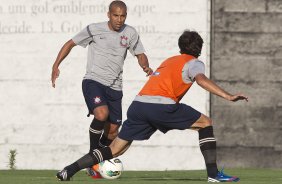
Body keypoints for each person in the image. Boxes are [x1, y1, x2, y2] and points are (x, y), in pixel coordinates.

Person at [56, 30, 248, 182]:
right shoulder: (194, 62)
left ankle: (69, 170)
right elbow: (200, 79)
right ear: (199, 48)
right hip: (161, 107)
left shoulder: (170, 61)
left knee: (115, 149)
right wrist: (228, 96)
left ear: (181, 47)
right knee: (205, 123)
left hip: (138, 106)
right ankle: (214, 174)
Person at [51, 0, 152, 179]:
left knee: (113, 131)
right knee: (101, 114)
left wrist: (145, 66)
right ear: (108, 14)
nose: (119, 19)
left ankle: (95, 158)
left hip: (115, 88)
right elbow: (70, 43)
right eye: (115, 15)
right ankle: (93, 157)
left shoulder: (130, 33)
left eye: (123, 16)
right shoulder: (94, 29)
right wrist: (56, 65)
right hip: (94, 81)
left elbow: (140, 54)